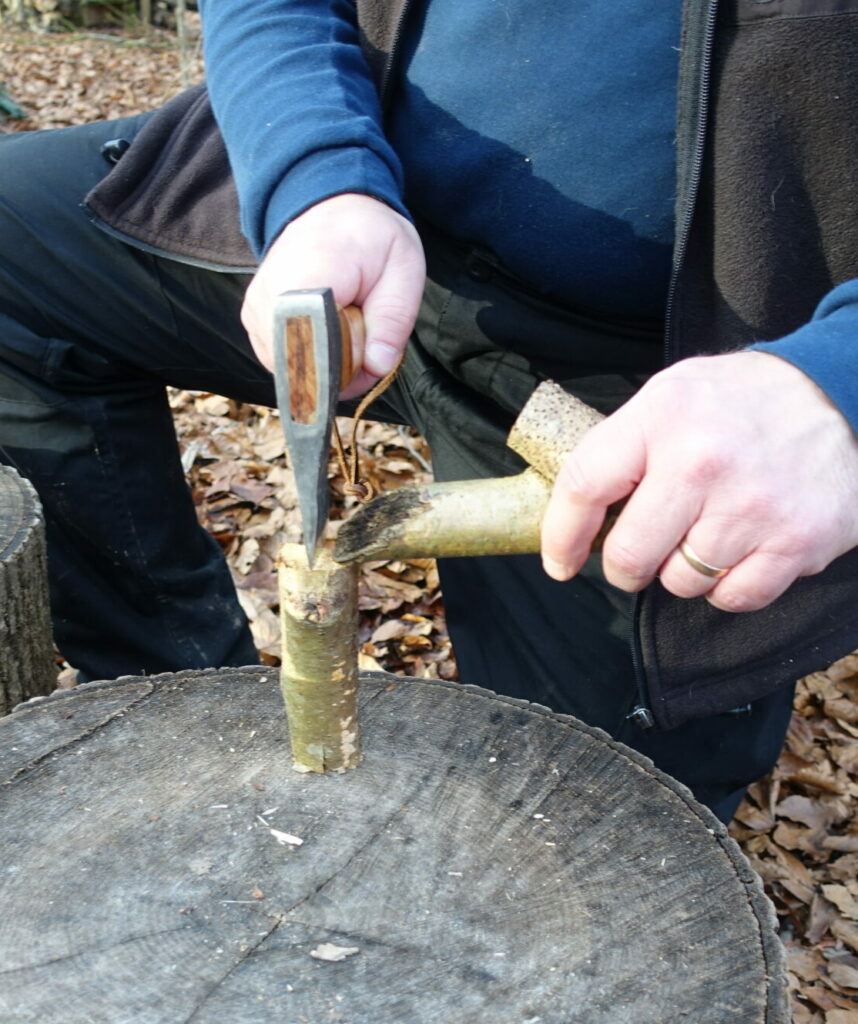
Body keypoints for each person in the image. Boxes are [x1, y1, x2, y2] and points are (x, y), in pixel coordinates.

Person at [1, 0, 857, 823]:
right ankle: (196, 722)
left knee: (595, 824)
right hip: (359, 228)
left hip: (691, 365)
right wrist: (312, 175)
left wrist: (836, 381)